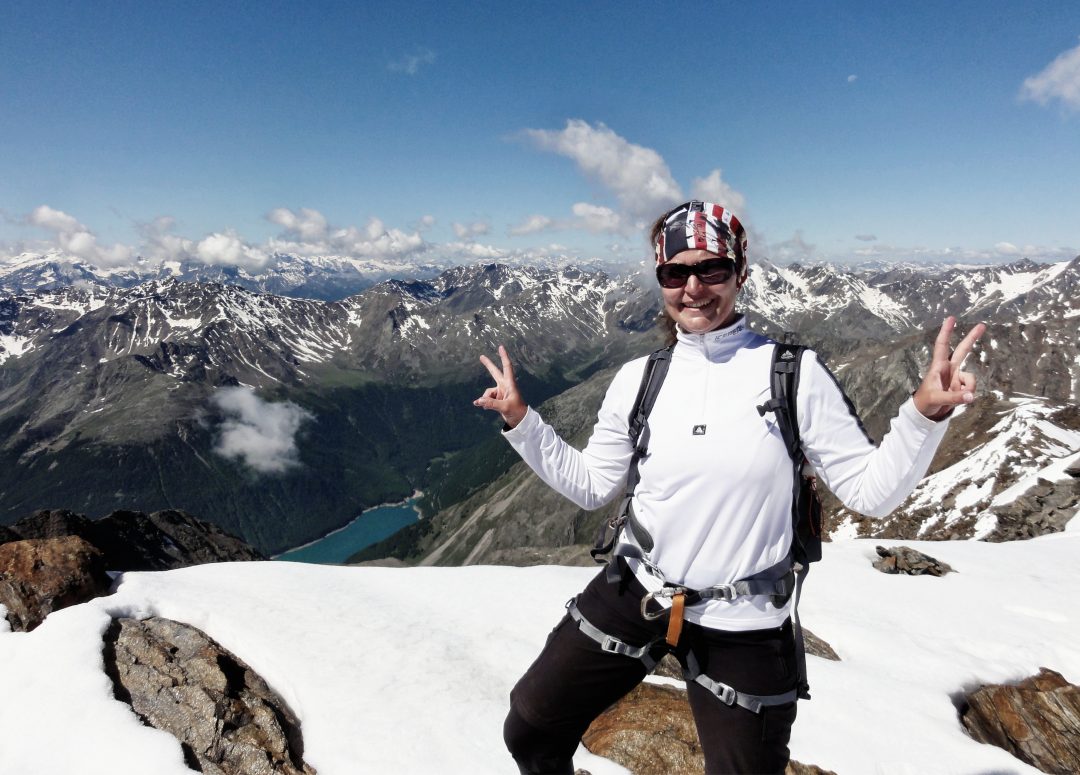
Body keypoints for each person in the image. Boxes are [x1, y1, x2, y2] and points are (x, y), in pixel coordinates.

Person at [474, 200, 985, 774]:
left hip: (744, 619)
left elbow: (871, 494)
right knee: (531, 727)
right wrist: (522, 422)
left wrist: (923, 415)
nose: (693, 288)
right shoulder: (639, 379)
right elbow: (594, 486)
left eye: (711, 269)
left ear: (740, 274)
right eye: (675, 273)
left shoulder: (794, 376)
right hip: (637, 585)